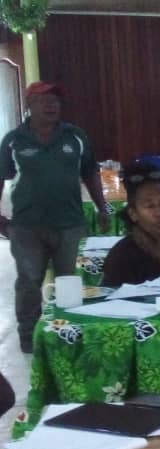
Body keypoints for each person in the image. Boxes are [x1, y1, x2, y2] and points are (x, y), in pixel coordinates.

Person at [0, 81, 109, 354]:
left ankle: (68, 335)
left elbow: (90, 173)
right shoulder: (13, 140)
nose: (51, 105)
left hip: (70, 224)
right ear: (29, 104)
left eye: (55, 101)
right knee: (29, 282)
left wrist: (102, 207)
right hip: (26, 226)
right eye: (43, 100)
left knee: (71, 282)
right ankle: (29, 338)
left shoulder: (76, 136)